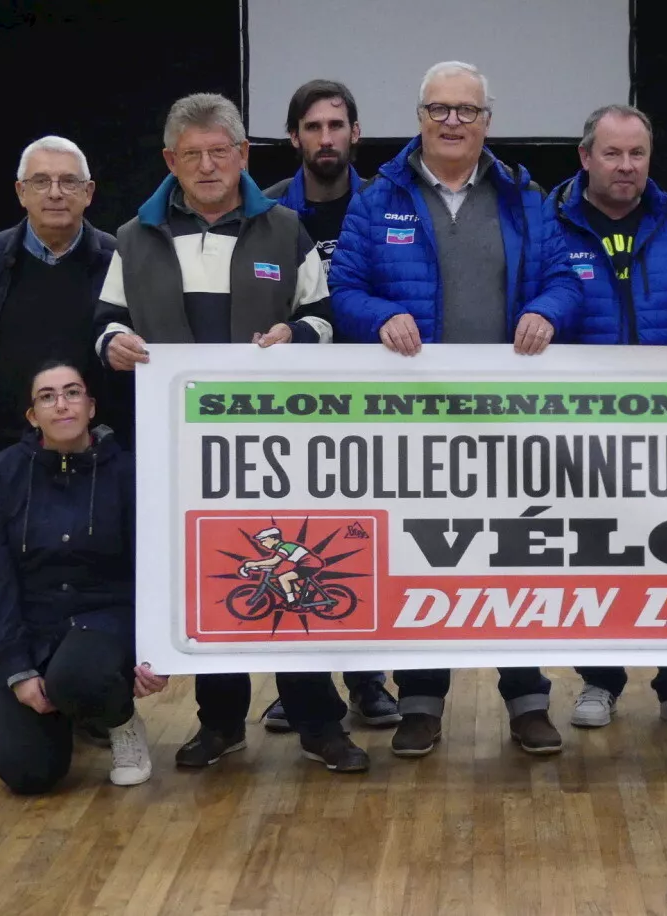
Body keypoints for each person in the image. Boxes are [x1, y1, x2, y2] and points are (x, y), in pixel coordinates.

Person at [93, 92, 369, 773]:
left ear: (244, 154)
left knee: (294, 583)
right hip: (180, 457)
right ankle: (220, 723)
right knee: (210, 582)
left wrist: (294, 334)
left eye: (221, 152)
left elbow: (325, 318)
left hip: (276, 454)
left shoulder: (284, 229)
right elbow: (103, 324)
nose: (209, 165)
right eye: (193, 155)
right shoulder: (133, 237)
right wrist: (114, 343)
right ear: (170, 161)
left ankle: (318, 721)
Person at [329, 60, 581, 758]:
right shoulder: (379, 199)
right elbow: (342, 287)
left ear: (486, 122)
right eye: (438, 108)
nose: (451, 121)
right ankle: (420, 702)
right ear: (418, 118)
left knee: (515, 553)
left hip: (510, 416)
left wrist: (545, 311)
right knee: (424, 556)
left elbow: (564, 280)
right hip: (415, 419)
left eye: (466, 110)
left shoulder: (523, 196)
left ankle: (528, 699)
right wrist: (381, 316)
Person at [547, 103, 667, 733]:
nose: (626, 167)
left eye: (637, 154)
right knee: (597, 558)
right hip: (581, 434)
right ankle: (599, 681)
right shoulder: (551, 226)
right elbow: (531, 305)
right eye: (612, 154)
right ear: (585, 157)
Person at [0, 136, 130, 754]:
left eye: (69, 182)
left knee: (94, 573)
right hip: (7, 454)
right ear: (20, 192)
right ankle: (15, 682)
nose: (56, 193)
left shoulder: (119, 258)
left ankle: (92, 696)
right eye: (42, 182)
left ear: (90, 193)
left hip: (96, 452)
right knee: (9, 578)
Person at [260, 78, 399, 735]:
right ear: (293, 138)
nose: (325, 138)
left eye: (336, 126)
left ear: (355, 134)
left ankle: (370, 679)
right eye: (312, 127)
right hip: (292, 413)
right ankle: (302, 684)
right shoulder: (264, 215)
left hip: (375, 409)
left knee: (361, 541)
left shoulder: (387, 208)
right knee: (298, 545)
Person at [0, 362, 168, 793]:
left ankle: (120, 720)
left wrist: (157, 651)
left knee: (77, 677)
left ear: (91, 406)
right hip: (34, 626)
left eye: (73, 392)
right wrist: (16, 669)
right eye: (47, 396)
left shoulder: (130, 472)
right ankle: (41, 705)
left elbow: (156, 569)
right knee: (27, 775)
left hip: (106, 619)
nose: (61, 404)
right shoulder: (3, 475)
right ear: (32, 415)